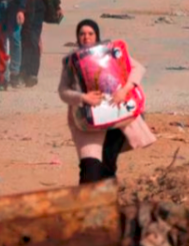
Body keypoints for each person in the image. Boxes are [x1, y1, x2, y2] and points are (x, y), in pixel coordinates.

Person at [58, 20, 155, 185]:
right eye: (82, 34)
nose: (86, 37)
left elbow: (138, 69)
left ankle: (107, 205)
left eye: (90, 34)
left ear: (97, 36)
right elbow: (63, 91)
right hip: (87, 122)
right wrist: (83, 98)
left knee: (108, 166)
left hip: (118, 119)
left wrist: (124, 91)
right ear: (77, 37)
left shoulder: (111, 52)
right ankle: (87, 207)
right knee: (90, 170)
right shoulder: (71, 62)